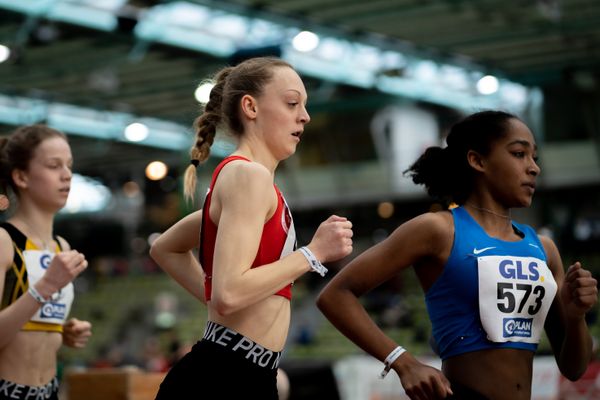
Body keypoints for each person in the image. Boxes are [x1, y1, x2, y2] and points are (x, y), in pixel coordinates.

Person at [317, 110, 598, 400]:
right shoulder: (437, 230)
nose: (533, 168)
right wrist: (403, 362)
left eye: (534, 157)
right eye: (518, 153)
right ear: (477, 160)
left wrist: (576, 316)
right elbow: (336, 295)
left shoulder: (543, 249)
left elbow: (574, 368)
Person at [150, 56, 353, 399]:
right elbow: (229, 294)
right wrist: (313, 253)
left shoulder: (246, 180)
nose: (305, 115)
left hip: (244, 368)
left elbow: (165, 248)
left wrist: (215, 298)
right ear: (251, 107)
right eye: (292, 103)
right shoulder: (248, 175)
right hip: (225, 372)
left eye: (304, 106)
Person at [0, 125, 91, 400]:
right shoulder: (4, 241)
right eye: (54, 165)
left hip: (49, 390)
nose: (67, 174)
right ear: (21, 176)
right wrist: (45, 287)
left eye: (69, 165)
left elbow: (27, 322)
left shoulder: (60, 247)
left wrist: (62, 331)